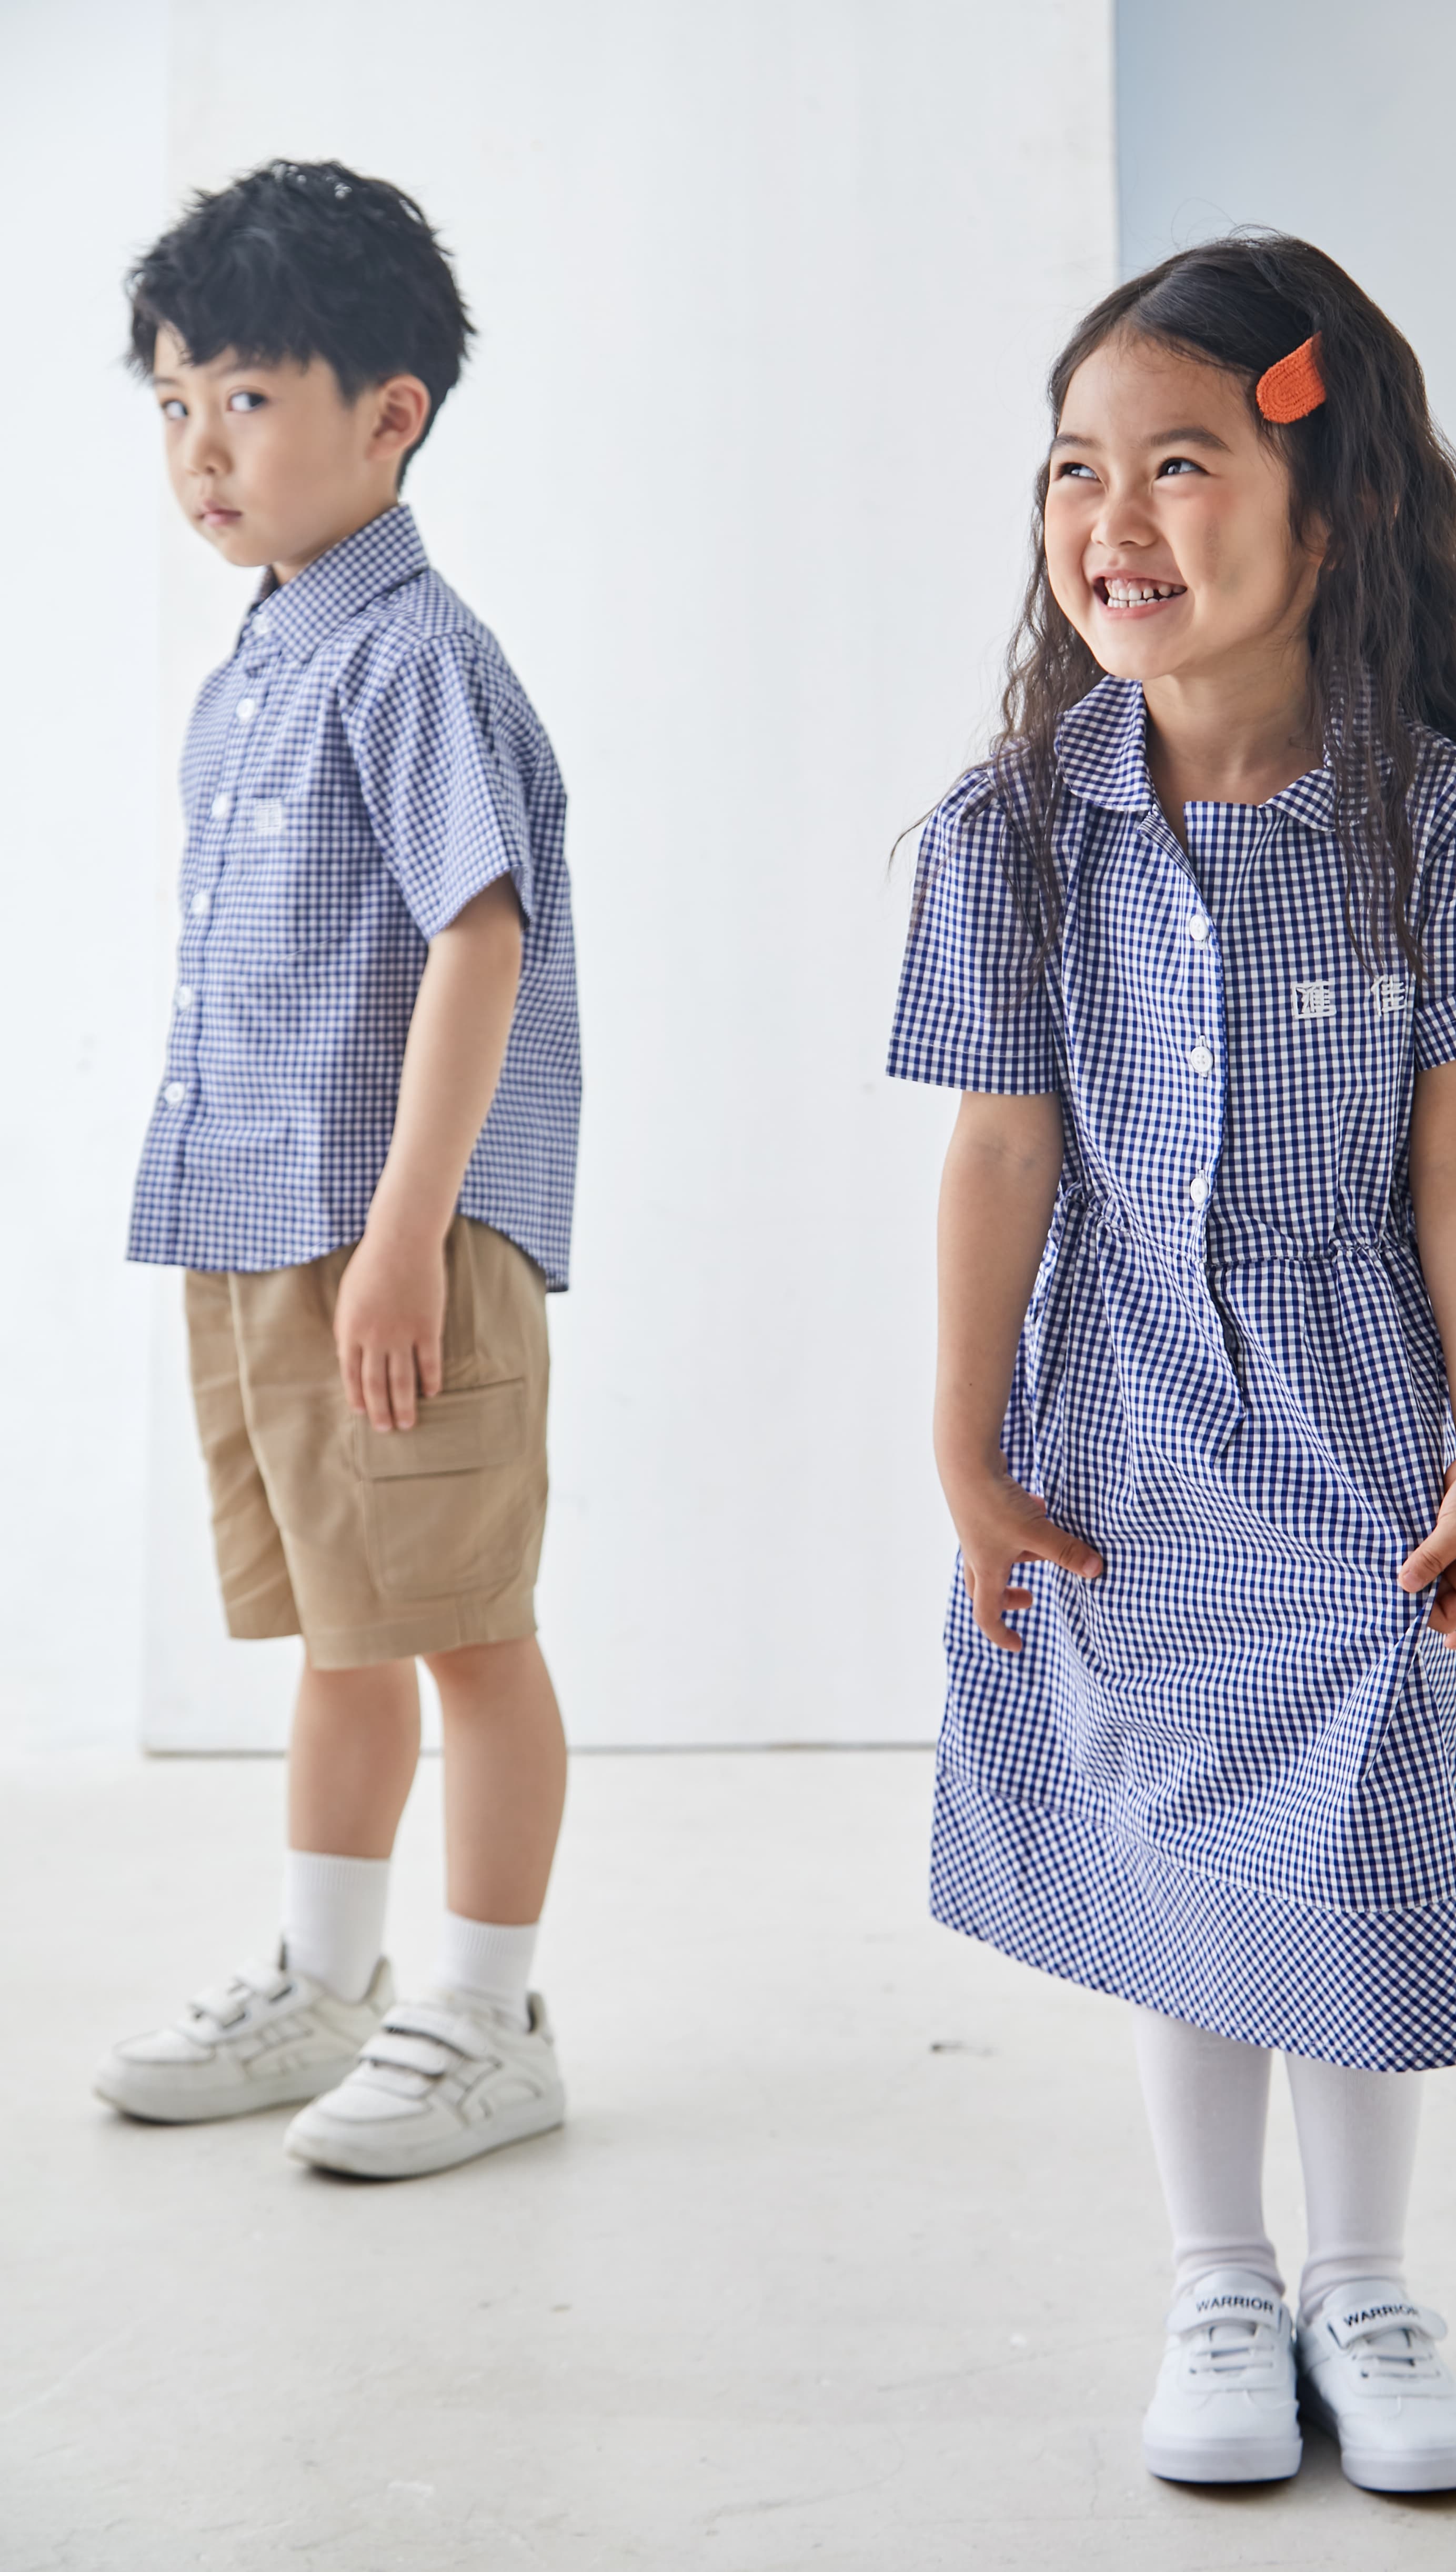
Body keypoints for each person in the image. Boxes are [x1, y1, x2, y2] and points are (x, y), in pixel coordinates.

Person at [888, 235, 1456, 2493]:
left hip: (1350, 1424)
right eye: (1072, 467)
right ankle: (1216, 2276)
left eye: (1177, 462)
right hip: (1114, 1422)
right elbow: (1002, 1153)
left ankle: (1360, 2283)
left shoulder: (1444, 827)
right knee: (1183, 1843)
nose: (1110, 517)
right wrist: (960, 1447)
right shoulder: (1006, 836)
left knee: (1361, 1832)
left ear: (1329, 505)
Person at [94, 162, 581, 2181]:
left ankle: (488, 2012)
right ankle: (328, 1976)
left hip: (398, 1238)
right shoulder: (272, 648)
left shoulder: (414, 658)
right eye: (175, 408)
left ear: (393, 414)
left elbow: (485, 940)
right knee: (344, 1630)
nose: (205, 453)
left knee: (463, 1623)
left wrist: (402, 1244)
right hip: (262, 1227)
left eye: (250, 402)